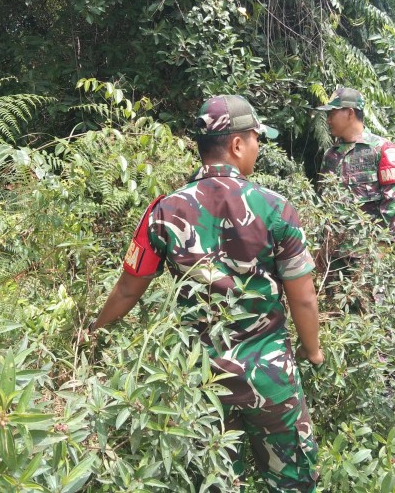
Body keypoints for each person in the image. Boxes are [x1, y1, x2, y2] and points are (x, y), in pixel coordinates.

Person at [89, 94, 324, 492]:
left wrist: (92, 334)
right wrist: (312, 350)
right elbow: (303, 297)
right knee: (293, 481)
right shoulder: (276, 208)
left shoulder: (163, 211)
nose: (258, 149)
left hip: (199, 380)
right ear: (236, 145)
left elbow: (129, 288)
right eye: (255, 140)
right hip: (269, 376)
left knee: (214, 480)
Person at [315, 86, 395, 236]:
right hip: (331, 252)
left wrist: (384, 244)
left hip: (366, 252)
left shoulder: (382, 149)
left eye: (332, 113)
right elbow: (321, 200)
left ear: (350, 113)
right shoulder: (330, 155)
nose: (328, 120)